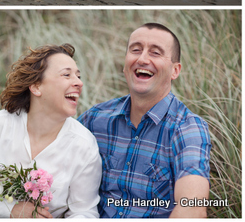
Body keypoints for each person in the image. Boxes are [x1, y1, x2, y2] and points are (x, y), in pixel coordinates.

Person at [78, 23, 211, 218]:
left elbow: (192, 207)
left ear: (175, 70)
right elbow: (51, 156)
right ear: (125, 64)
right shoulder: (95, 119)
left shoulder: (187, 129)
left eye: (155, 53)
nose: (142, 59)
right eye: (136, 50)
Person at [0, 44, 101, 218]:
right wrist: (9, 210)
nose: (79, 82)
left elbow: (85, 212)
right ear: (36, 87)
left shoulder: (84, 144)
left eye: (78, 76)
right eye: (66, 75)